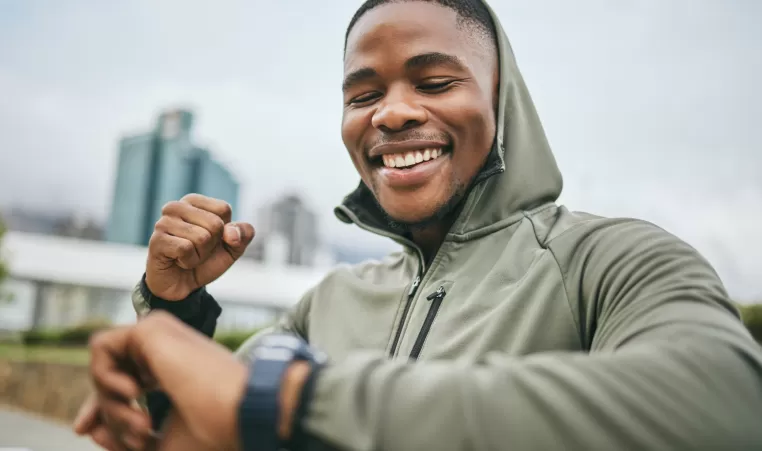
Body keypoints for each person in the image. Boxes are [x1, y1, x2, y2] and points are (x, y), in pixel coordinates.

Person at [75, 0, 762, 450]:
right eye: (363, 94)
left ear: (502, 102)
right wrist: (170, 311)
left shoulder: (609, 260)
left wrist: (293, 400)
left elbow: (728, 405)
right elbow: (201, 423)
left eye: (434, 83)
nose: (390, 114)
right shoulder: (329, 301)